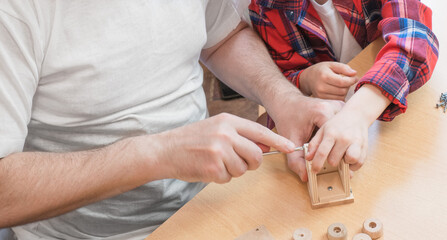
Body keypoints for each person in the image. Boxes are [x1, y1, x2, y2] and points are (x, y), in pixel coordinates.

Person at [0, 1, 344, 239]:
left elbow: (222, 36)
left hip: (206, 205)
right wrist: (158, 154)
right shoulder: (14, 13)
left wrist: (284, 100)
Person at [249, 0, 439, 175]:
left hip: (386, 119)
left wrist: (358, 114)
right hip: (321, 118)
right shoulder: (266, 8)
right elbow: (275, 83)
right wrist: (305, 79)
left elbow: (416, 37)